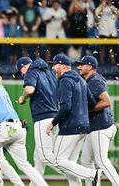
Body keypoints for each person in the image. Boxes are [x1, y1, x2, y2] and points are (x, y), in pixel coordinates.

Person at [46, 54, 100, 186]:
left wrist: (53, 123)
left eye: (55, 64)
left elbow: (65, 107)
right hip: (83, 126)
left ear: (64, 66)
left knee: (59, 160)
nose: (53, 67)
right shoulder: (81, 80)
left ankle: (91, 174)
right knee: (70, 164)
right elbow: (92, 103)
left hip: (70, 127)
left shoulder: (65, 80)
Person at [76, 55, 119, 186]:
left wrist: (87, 111)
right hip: (96, 127)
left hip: (100, 127)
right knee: (85, 161)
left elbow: (107, 101)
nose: (79, 67)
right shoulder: (90, 80)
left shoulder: (94, 80)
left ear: (90, 67)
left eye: (82, 64)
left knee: (102, 161)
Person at [14, 56, 60, 185]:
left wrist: (23, 98)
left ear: (24, 66)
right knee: (38, 159)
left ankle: (85, 172)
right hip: (55, 117)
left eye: (21, 71)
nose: (22, 74)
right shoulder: (50, 72)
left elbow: (29, 89)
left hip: (43, 118)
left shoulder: (31, 71)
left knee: (45, 156)